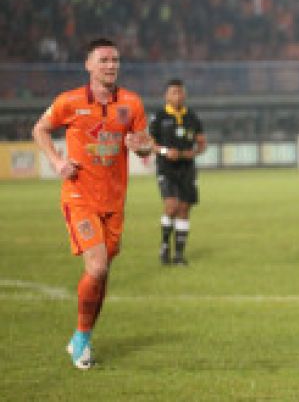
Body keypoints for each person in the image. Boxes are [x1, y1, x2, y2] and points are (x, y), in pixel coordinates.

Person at [30, 38, 153, 369]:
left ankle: (82, 338)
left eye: (115, 60)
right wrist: (57, 162)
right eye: (103, 60)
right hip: (79, 196)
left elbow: (146, 146)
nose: (111, 65)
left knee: (101, 276)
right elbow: (40, 129)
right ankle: (82, 339)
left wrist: (138, 145)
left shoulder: (131, 103)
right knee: (96, 266)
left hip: (114, 201)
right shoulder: (69, 102)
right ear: (88, 66)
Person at [148, 78, 206, 265]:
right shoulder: (159, 117)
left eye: (181, 92)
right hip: (166, 167)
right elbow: (150, 143)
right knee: (171, 206)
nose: (178, 96)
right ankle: (165, 245)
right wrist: (166, 151)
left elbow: (202, 142)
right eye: (174, 92)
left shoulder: (192, 117)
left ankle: (179, 255)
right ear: (166, 95)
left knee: (184, 209)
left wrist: (194, 152)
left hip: (187, 168)